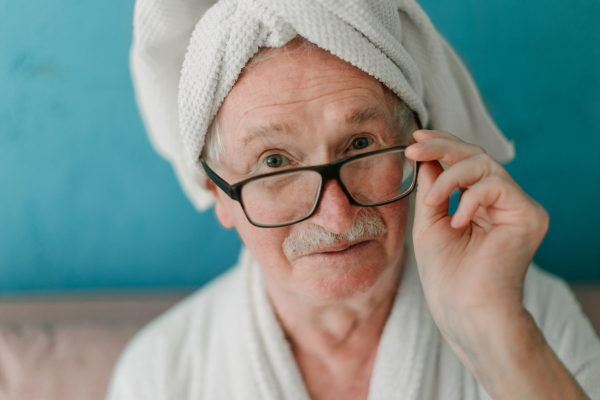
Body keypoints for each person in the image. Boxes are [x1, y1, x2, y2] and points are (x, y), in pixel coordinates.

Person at [107, 1, 600, 399]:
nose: (337, 215)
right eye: (275, 163)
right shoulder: (161, 376)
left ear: (420, 151)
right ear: (218, 191)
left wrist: (499, 338)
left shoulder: (533, 315)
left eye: (361, 145)